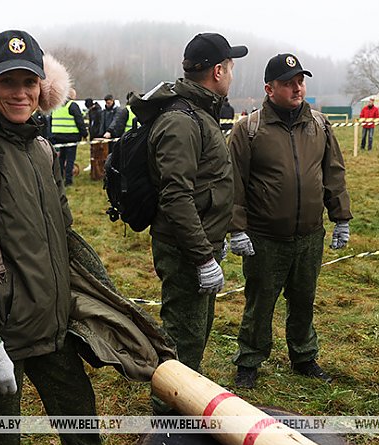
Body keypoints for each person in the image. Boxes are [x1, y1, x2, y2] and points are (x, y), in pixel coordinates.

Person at [0, 29, 102, 445]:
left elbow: (62, 237)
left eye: (29, 82)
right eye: (7, 82)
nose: (20, 93)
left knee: (85, 436)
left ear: (42, 88)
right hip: (0, 336)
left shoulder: (43, 150)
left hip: (54, 330)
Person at [127, 32, 246, 413]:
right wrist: (201, 256)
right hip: (184, 250)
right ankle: (167, 413)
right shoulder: (181, 120)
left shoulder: (202, 112)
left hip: (197, 243)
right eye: (230, 66)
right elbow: (176, 197)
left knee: (195, 330)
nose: (232, 74)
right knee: (183, 334)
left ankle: (184, 394)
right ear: (217, 70)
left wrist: (221, 233)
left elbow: (207, 185)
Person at [227, 53, 352, 389]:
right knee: (260, 302)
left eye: (300, 80)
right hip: (265, 238)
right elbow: (234, 184)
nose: (297, 88)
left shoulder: (320, 125)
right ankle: (250, 361)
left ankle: (304, 357)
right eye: (287, 83)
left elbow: (333, 174)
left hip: (310, 235)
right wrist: (236, 229)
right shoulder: (248, 130)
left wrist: (340, 217)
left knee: (303, 300)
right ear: (270, 88)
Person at [49, 88, 87, 186]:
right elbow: (79, 120)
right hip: (71, 137)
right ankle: (68, 180)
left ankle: (60, 177)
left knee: (60, 159)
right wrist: (84, 134)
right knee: (70, 159)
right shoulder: (72, 105)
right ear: (72, 96)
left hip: (57, 136)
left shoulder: (57, 105)